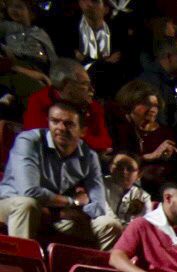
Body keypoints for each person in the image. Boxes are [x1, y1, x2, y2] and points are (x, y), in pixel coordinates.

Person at [0, 99, 122, 249]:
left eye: (69, 124)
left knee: (110, 225)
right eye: (55, 121)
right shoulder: (28, 141)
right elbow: (29, 191)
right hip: (10, 204)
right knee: (28, 204)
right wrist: (73, 202)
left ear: (83, 131)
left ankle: (91, 271)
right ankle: (23, 268)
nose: (60, 128)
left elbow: (98, 205)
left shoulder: (89, 156)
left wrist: (79, 212)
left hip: (57, 212)